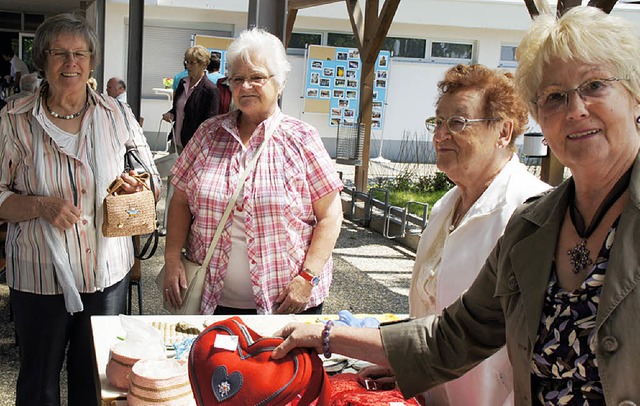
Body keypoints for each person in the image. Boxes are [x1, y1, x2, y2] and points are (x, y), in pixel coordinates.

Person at [272, 5, 640, 404]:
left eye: (595, 86)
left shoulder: (521, 204)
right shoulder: (533, 226)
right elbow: (455, 335)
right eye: (554, 96)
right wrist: (329, 335)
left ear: (634, 95)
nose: (575, 109)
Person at [358, 64, 550, 405]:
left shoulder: (530, 211)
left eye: (457, 123)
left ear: (503, 132)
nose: (440, 135)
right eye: (438, 121)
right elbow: (433, 317)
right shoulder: (446, 206)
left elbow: (537, 347)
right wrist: (410, 367)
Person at [0, 13, 161, 406]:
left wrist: (137, 185)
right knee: (38, 381)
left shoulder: (117, 115)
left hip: (106, 274)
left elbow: (152, 180)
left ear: (92, 61)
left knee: (95, 379)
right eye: (60, 53)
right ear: (43, 58)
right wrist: (40, 205)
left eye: (80, 53)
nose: (71, 62)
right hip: (39, 275)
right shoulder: (14, 119)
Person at [162, 28, 343, 315]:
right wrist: (172, 258)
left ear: (279, 82)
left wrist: (308, 276)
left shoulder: (302, 138)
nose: (246, 86)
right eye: (237, 78)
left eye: (257, 77)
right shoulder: (209, 134)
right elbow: (180, 200)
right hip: (211, 301)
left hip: (285, 302)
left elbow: (331, 216)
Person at [162, 45, 219, 153]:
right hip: (176, 144)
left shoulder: (211, 89)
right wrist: (170, 114)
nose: (188, 66)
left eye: (192, 63)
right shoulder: (182, 83)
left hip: (194, 148)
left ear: (204, 64)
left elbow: (211, 124)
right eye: (186, 62)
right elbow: (177, 109)